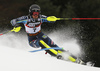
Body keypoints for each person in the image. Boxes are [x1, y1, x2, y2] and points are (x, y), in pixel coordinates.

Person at [11, 4, 80, 63]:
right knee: (40, 42)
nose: (35, 15)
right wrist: (16, 26)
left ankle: (75, 59)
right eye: (34, 13)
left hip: (40, 34)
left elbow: (49, 19)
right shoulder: (25, 19)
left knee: (54, 45)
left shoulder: (41, 18)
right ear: (30, 13)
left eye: (37, 13)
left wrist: (52, 19)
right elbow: (13, 21)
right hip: (32, 39)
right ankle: (56, 55)